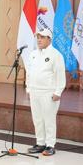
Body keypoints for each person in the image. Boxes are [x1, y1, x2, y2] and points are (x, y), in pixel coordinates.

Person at [24, 26, 66, 156]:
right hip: (34, 91)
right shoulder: (33, 54)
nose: (39, 39)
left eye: (42, 37)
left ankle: (50, 145)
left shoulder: (56, 55)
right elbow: (29, 73)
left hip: (48, 93)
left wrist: (58, 92)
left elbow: (60, 75)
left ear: (49, 39)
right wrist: (28, 88)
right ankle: (40, 143)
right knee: (37, 119)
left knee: (49, 120)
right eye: (38, 37)